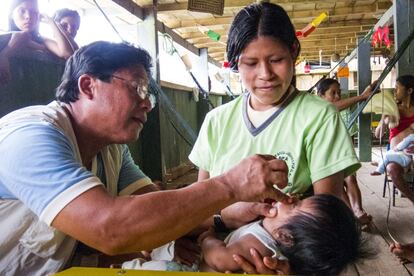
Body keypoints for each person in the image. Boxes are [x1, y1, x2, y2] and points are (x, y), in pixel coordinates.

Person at [0, 41, 291, 275]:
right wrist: (229, 186)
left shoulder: (110, 149)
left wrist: (225, 215)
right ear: (88, 86)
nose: (147, 105)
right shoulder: (31, 135)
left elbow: (157, 208)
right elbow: (110, 228)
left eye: (148, 95)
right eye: (138, 89)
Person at [188, 3, 361, 273]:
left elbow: (326, 226)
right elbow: (196, 212)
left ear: (293, 51)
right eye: (251, 63)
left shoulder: (319, 116)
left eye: (276, 60)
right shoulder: (217, 121)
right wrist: (223, 218)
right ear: (236, 63)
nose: (265, 75)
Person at [122, 194, 368, 275]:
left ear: (286, 237)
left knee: (161, 268)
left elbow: (221, 259)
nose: (290, 198)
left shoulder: (260, 245)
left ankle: (129, 266)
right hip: (193, 252)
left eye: (295, 205)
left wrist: (208, 239)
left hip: (197, 268)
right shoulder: (265, 231)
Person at [317, 78, 375, 225]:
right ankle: (352, 217)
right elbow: (333, 107)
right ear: (321, 96)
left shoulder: (340, 109)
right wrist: (362, 96)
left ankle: (358, 211)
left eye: (339, 93)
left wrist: (366, 93)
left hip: (341, 149)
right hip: (324, 153)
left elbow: (340, 107)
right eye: (333, 93)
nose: (337, 96)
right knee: (338, 186)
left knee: (351, 179)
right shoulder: (318, 109)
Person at [0, 0, 75, 86]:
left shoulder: (42, 40)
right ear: (11, 15)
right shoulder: (4, 37)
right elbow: (23, 36)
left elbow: (68, 53)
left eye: (34, 12)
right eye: (22, 11)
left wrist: (51, 22)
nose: (28, 16)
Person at [374, 75, 414, 204]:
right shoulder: (392, 110)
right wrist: (383, 121)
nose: (394, 91)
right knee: (392, 169)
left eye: (397, 88)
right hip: (398, 155)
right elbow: (378, 135)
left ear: (409, 91)